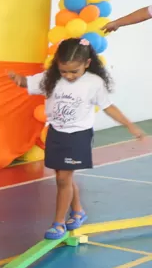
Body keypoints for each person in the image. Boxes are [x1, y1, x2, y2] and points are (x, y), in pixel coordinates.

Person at [8, 37, 145, 239]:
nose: (69, 76)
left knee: (63, 178)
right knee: (63, 176)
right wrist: (14, 77)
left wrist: (129, 125)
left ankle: (58, 223)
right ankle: (78, 211)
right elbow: (26, 83)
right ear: (57, 64)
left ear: (87, 63)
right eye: (64, 71)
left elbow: (108, 107)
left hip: (78, 136)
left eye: (74, 71)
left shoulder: (93, 83)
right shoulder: (50, 78)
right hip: (56, 133)